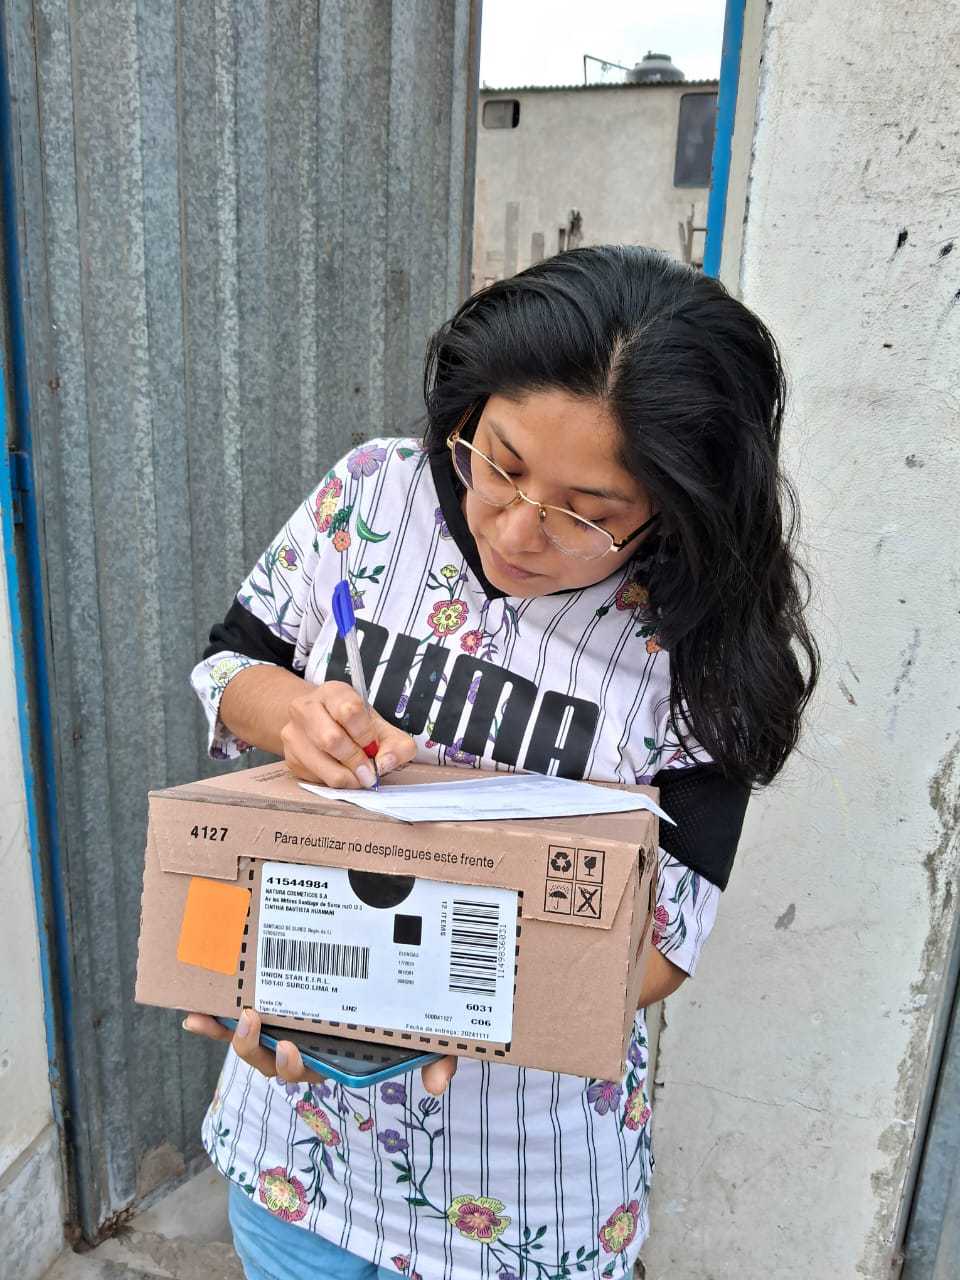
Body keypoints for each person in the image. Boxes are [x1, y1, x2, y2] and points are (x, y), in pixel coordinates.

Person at [184, 245, 818, 1280]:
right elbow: (230, 661)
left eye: (589, 512)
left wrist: (451, 1004)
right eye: (503, 463)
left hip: (521, 1196)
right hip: (296, 1150)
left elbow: (667, 942)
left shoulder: (698, 645)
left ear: (675, 502)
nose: (519, 530)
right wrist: (295, 710)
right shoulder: (377, 494)